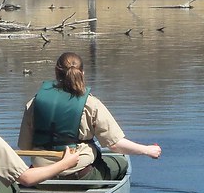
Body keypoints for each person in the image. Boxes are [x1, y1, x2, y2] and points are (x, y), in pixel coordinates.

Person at [18, 51, 162, 182]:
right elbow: (115, 144)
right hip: (79, 175)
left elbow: (24, 145)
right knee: (121, 163)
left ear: (56, 72)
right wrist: (147, 150)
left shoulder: (34, 103)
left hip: (40, 176)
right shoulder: (91, 104)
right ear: (83, 73)